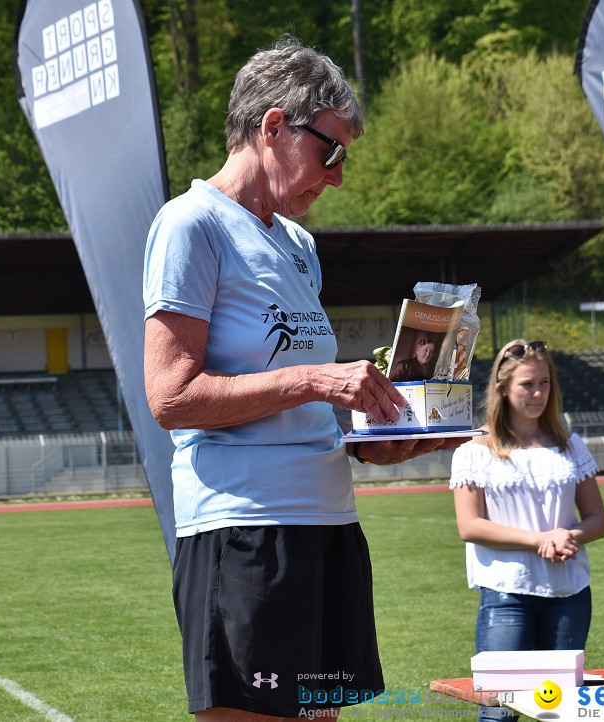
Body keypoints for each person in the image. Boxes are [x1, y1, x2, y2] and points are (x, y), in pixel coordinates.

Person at [143, 35, 467, 721]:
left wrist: (394, 431)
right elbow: (170, 397)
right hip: (247, 531)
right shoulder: (191, 224)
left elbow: (309, 402)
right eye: (333, 151)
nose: (339, 175)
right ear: (272, 127)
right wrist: (317, 381)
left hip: (327, 524)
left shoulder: (297, 245)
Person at [449, 340, 604, 720]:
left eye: (544, 382)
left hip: (570, 594)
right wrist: (541, 539)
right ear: (503, 387)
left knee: (564, 709)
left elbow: (597, 520)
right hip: (507, 594)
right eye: (526, 384)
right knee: (501, 711)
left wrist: (570, 535)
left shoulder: (570, 445)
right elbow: (470, 526)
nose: (537, 392)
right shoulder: (475, 449)